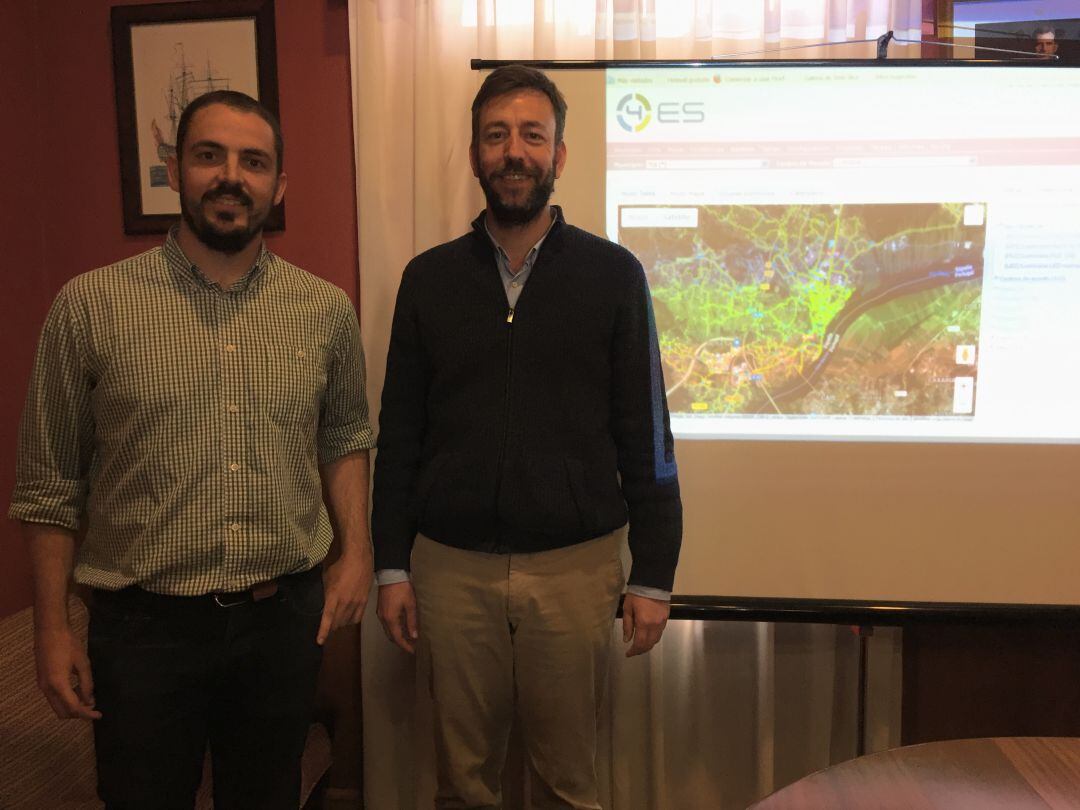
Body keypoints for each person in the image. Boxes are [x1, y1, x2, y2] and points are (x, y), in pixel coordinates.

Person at [10, 90, 376, 810]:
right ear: (175, 170)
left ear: (280, 185)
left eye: (254, 161)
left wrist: (356, 550)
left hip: (280, 624)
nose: (231, 176)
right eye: (210, 156)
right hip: (143, 633)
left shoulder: (325, 310)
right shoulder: (89, 307)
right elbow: (49, 483)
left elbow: (345, 436)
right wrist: (52, 630)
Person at [372, 66, 682, 809]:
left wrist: (653, 575)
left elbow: (647, 431)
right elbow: (401, 432)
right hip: (449, 573)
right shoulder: (427, 280)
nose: (515, 151)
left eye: (533, 136)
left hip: (574, 572)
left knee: (568, 782)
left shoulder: (614, 276)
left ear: (559, 156)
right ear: (476, 155)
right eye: (497, 135)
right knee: (462, 783)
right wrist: (391, 567)